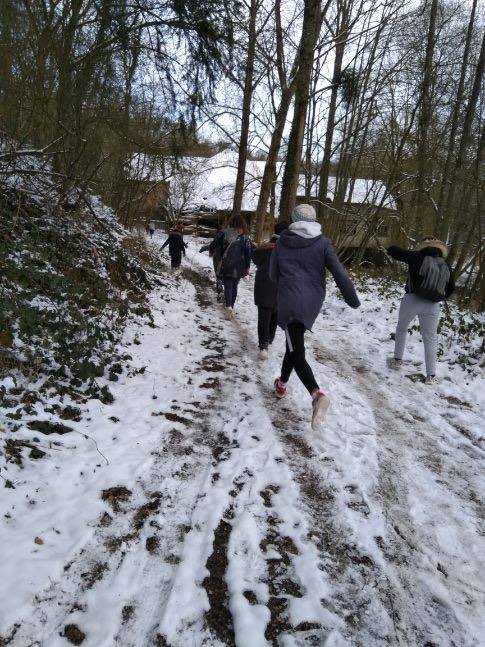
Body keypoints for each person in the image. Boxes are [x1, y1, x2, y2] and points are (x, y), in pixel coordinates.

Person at [269, 203, 360, 430]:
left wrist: (286, 283)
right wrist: (352, 299)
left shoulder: (282, 242)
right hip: (312, 302)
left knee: (296, 350)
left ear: (293, 220)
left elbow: (272, 274)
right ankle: (282, 384)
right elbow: (339, 273)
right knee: (293, 344)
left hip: (290, 299)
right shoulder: (323, 243)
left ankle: (316, 394)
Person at [387, 237, 455, 384]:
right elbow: (451, 288)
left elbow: (393, 251)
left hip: (412, 299)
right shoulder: (446, 265)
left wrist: (391, 247)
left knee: (402, 328)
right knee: (430, 338)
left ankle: (397, 360)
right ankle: (431, 375)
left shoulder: (416, 256)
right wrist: (436, 296)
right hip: (433, 305)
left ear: (423, 246)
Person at [251, 221, 289, 359]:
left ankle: (263, 346)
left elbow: (254, 257)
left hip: (264, 286)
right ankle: (270, 339)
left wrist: (262, 247)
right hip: (281, 288)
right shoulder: (289, 250)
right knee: (275, 314)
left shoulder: (265, 247)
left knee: (264, 316)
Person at [209, 214, 251, 320]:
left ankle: (228, 307)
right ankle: (231, 305)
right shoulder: (245, 237)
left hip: (227, 264)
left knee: (228, 286)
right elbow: (248, 253)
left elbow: (214, 243)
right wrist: (247, 267)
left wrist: (211, 251)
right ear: (242, 224)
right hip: (240, 266)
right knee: (234, 286)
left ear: (231, 222)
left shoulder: (224, 233)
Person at [199, 231, 224, 300]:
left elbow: (209, 247)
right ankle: (224, 291)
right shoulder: (226, 244)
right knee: (225, 277)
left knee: (219, 277)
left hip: (217, 263)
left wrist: (201, 249)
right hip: (226, 263)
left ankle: (219, 293)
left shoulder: (215, 244)